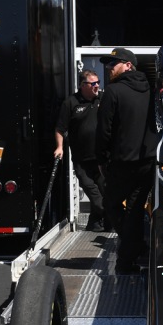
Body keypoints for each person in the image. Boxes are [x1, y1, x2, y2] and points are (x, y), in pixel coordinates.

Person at [95, 47, 157, 275]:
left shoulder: (113, 91)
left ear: (128, 65)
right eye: (109, 64)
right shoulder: (151, 90)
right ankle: (126, 261)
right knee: (133, 210)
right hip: (148, 163)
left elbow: (104, 131)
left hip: (123, 164)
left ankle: (134, 246)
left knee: (110, 205)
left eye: (114, 63)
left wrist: (101, 159)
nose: (109, 67)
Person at [55, 70, 106, 232]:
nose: (97, 86)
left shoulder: (103, 99)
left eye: (98, 82)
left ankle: (95, 224)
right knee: (92, 191)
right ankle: (111, 215)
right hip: (81, 159)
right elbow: (60, 128)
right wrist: (59, 147)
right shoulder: (70, 103)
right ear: (83, 85)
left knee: (103, 190)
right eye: (93, 83)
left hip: (101, 158)